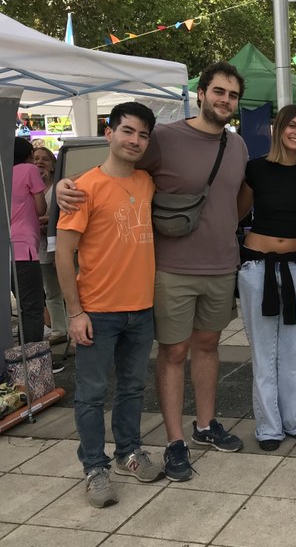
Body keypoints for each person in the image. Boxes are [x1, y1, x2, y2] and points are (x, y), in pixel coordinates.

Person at [57, 62, 250, 481]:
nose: (225, 100)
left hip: (221, 266)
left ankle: (205, 425)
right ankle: (175, 442)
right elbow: (113, 165)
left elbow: (239, 199)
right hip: (171, 270)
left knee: (207, 347)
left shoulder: (236, 145)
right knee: (173, 353)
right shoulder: (164, 137)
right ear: (201, 93)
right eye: (219, 91)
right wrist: (63, 184)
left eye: (233, 95)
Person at [56, 102, 164, 508]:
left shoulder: (147, 182)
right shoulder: (83, 188)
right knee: (91, 394)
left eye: (143, 135)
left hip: (140, 309)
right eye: (127, 131)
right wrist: (75, 312)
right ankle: (94, 467)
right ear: (109, 133)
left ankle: (128, 452)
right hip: (97, 311)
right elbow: (63, 255)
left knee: (133, 388)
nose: (135, 140)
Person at [236, 105, 296, 452]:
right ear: (279, 128)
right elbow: (236, 212)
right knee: (265, 352)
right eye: (291, 126)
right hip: (257, 268)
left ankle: (291, 418)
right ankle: (268, 425)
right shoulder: (255, 169)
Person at [11, 137, 46, 344]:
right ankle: (32, 358)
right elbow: (41, 208)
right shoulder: (28, 170)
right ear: (29, 154)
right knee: (32, 308)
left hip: (6, 249)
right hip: (24, 249)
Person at [34, 146, 68, 347]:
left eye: (44, 159)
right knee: (51, 291)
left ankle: (76, 331)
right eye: (36, 158)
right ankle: (59, 330)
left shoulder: (58, 188)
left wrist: (50, 221)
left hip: (62, 246)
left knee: (72, 288)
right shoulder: (31, 188)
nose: (39, 162)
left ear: (53, 165)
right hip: (41, 248)